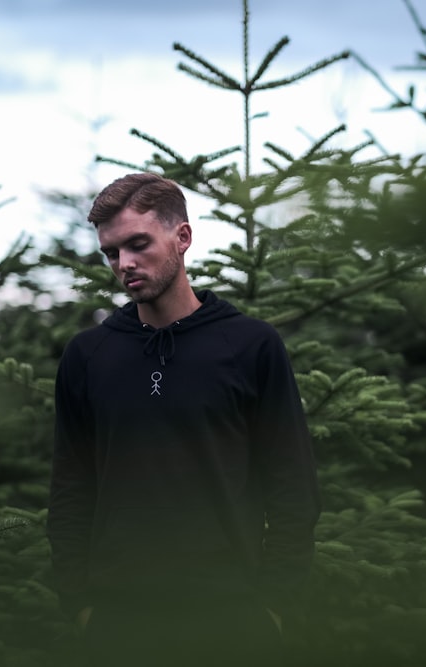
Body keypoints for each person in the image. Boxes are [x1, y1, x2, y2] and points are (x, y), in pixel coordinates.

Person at [47, 172, 321, 666]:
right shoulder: (89, 356)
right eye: (111, 252)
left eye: (137, 244)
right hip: (117, 622)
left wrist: (275, 606)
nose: (124, 263)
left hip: (232, 618)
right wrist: (80, 605)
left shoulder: (250, 346)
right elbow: (72, 485)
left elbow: (291, 484)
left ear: (183, 238)